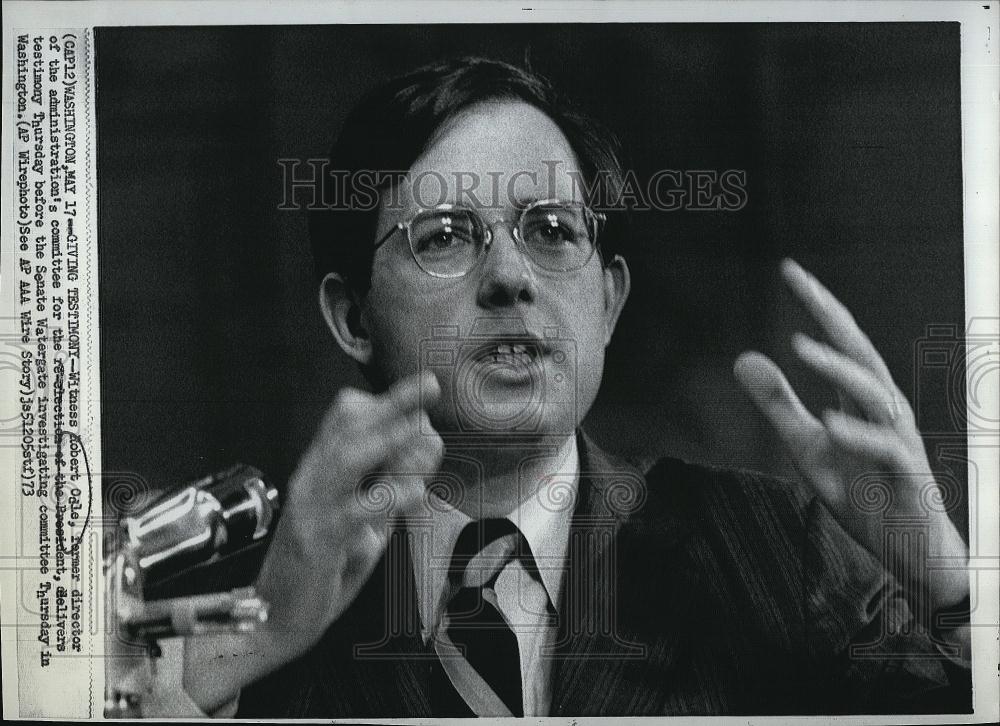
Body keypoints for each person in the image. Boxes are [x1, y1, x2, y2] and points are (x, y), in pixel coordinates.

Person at [127, 56, 972, 717]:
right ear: (353, 320)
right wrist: (260, 636)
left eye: (553, 230)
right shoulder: (236, 588)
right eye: (448, 236)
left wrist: (952, 588)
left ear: (607, 300)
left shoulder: (771, 549)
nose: (511, 277)